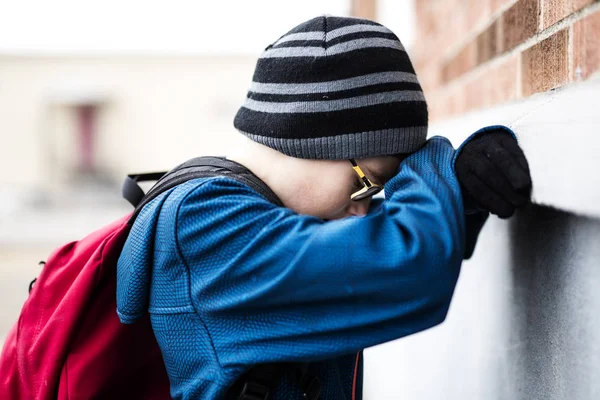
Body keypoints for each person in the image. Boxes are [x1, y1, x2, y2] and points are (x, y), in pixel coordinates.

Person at [117, 15, 532, 399]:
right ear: (310, 141)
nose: (362, 211)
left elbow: (378, 250)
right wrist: (434, 159)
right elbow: (411, 262)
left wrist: (464, 188)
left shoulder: (247, 213)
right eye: (365, 182)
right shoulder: (204, 224)